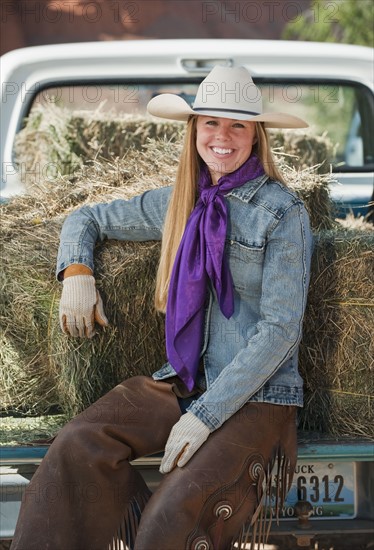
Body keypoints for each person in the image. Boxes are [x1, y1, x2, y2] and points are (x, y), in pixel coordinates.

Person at [11, 65, 313, 550]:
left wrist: (207, 416)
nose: (222, 136)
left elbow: (280, 331)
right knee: (76, 446)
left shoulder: (283, 214)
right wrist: (77, 273)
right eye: (210, 123)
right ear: (194, 130)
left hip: (258, 397)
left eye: (237, 125)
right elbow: (85, 217)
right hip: (185, 378)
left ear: (256, 135)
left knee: (166, 529)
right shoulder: (180, 201)